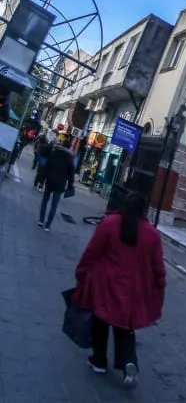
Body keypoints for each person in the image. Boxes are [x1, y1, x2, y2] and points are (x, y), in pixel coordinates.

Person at [74, 192, 166, 387]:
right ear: (144, 210)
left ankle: (99, 360)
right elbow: (158, 267)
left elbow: (92, 252)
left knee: (100, 321)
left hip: (105, 284)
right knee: (125, 327)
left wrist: (81, 272)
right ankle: (129, 362)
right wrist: (159, 287)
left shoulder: (109, 223)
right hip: (134, 290)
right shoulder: (151, 234)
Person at [37, 137, 75, 231]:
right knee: (54, 205)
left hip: (49, 181)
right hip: (60, 185)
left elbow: (47, 167)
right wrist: (70, 186)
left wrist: (42, 179)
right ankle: (48, 225)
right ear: (69, 148)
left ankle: (41, 220)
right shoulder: (70, 160)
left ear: (62, 145)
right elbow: (71, 175)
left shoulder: (54, 154)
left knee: (45, 201)